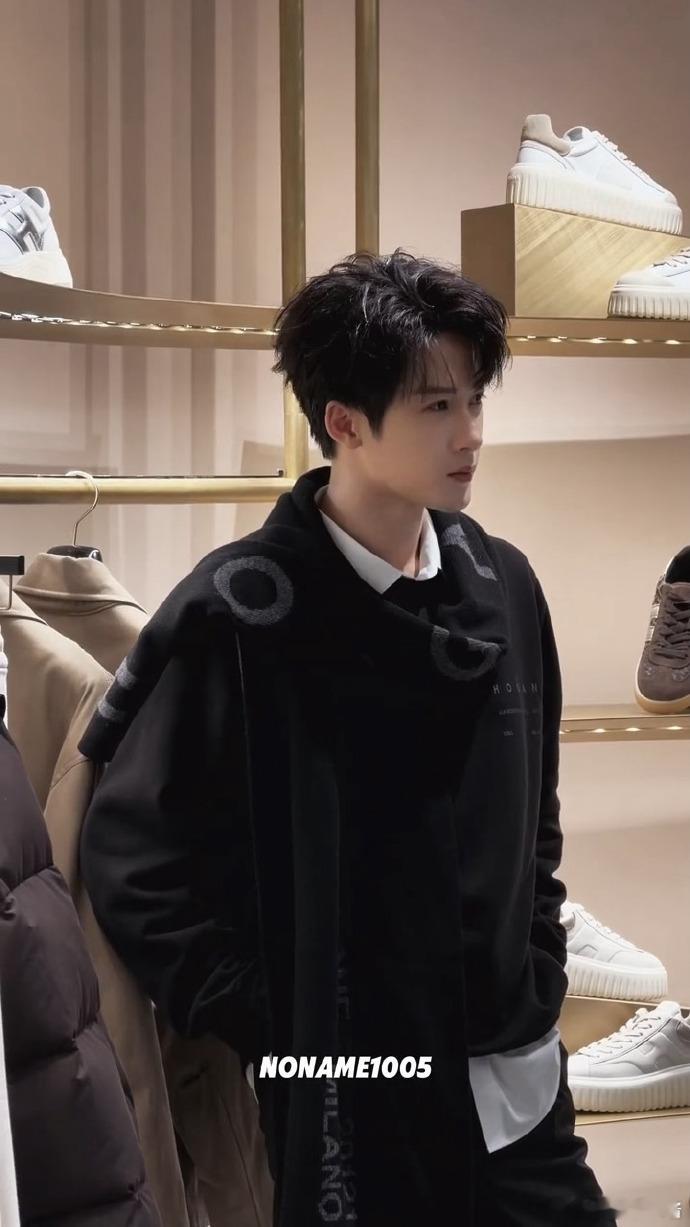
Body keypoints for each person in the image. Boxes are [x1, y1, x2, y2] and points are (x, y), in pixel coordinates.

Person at [79, 251, 617, 1227]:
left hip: (518, 1078)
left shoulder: (505, 586)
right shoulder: (242, 612)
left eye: (475, 401)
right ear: (344, 422)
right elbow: (135, 864)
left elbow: (533, 820)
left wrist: (538, 960)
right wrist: (281, 1021)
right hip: (352, 1102)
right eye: (437, 406)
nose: (471, 433)